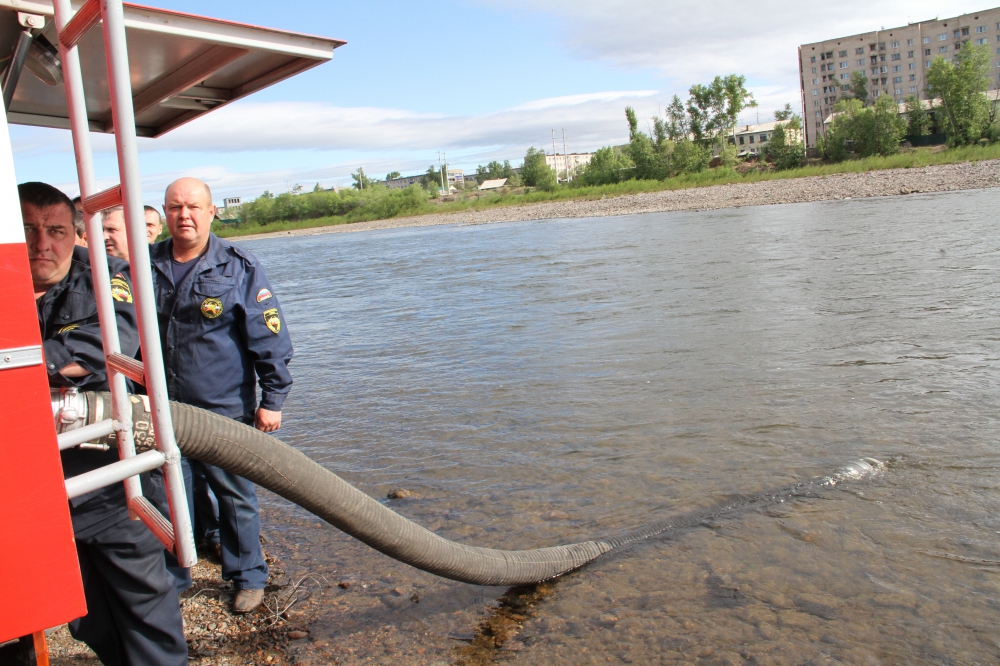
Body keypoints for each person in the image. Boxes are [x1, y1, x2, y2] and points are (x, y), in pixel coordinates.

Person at [22, 181, 187, 665]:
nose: (42, 243)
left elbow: (109, 343)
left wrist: (23, 364)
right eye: (28, 230)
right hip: (35, 490)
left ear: (74, 234)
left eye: (55, 230)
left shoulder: (106, 275)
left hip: (109, 481)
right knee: (84, 615)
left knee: (146, 607)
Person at [151, 177, 293, 613]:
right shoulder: (144, 263)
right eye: (175, 207)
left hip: (222, 407)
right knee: (172, 493)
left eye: (193, 206)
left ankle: (248, 576)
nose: (185, 215)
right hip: (163, 406)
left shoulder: (238, 266)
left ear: (212, 212)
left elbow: (269, 335)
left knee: (234, 495)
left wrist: (272, 400)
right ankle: (176, 578)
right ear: (164, 213)